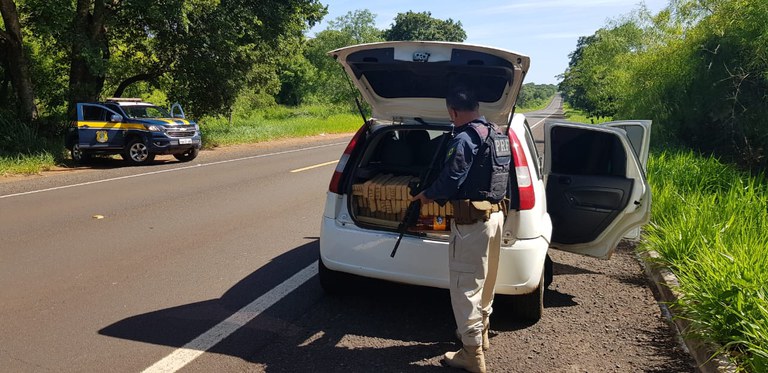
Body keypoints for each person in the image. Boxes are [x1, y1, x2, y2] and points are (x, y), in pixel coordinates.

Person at [413, 87, 507, 373]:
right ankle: (482, 333)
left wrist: (427, 195)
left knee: (465, 287)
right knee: (486, 282)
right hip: (496, 217)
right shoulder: (497, 134)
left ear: (453, 112)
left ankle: (472, 354)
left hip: (472, 223)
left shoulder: (465, 138)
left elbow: (452, 177)